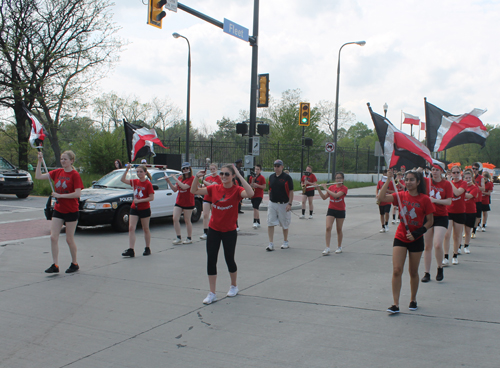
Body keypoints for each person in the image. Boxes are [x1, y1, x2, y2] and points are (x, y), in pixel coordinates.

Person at [191, 164, 254, 304]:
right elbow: (193, 190)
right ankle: (212, 293)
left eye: (227, 174)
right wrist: (196, 177)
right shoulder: (214, 188)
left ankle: (234, 286)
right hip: (214, 229)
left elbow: (250, 194)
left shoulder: (237, 190)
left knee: (229, 259)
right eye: (222, 174)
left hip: (229, 231)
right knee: (211, 259)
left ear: (232, 176)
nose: (224, 176)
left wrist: (239, 175)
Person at [378, 169, 434, 314]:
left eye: (411, 180)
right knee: (397, 270)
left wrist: (417, 233)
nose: (408, 182)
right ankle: (395, 304)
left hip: (416, 239)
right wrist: (389, 180)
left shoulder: (425, 199)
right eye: (406, 179)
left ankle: (413, 299)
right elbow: (380, 198)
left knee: (413, 271)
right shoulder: (400, 195)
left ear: (418, 182)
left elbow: (430, 221)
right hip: (401, 237)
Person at [35, 150, 84, 274]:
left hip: (71, 210)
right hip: (58, 209)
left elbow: (78, 193)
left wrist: (60, 196)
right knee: (53, 237)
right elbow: (38, 176)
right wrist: (39, 161)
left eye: (65, 159)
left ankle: (74, 263)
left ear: (71, 161)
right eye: (61, 159)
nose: (63, 161)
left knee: (69, 239)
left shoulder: (75, 175)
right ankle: (55, 264)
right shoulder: (57, 172)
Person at [421, 161, 452, 283]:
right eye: (433, 169)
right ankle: (427, 272)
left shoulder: (446, 184)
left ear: (441, 172)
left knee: (438, 244)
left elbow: (449, 201)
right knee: (427, 246)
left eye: (437, 170)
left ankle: (439, 267)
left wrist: (434, 200)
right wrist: (421, 165)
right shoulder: (426, 181)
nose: (434, 172)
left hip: (441, 216)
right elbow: (416, 175)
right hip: (428, 216)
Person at [120, 164, 155, 257]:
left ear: (145, 173)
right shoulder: (135, 181)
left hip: (144, 208)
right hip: (134, 208)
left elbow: (151, 197)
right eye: (137, 172)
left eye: (141, 171)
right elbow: (122, 180)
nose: (139, 173)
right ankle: (131, 249)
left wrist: (140, 200)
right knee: (131, 227)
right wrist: (126, 170)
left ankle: (147, 248)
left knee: (145, 228)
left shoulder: (148, 184)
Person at [315, 172, 348, 255]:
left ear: (343, 179)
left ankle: (339, 247)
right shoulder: (331, 187)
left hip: (340, 210)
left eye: (340, 178)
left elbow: (336, 195)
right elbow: (324, 198)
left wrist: (326, 188)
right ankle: (327, 247)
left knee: (339, 229)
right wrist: (319, 188)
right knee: (328, 227)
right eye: (337, 178)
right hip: (331, 209)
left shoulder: (344, 188)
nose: (338, 179)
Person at [266, 159, 294, 251]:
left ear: (282, 167)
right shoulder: (271, 177)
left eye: (278, 166)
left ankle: (285, 241)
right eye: (275, 166)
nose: (276, 168)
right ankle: (271, 243)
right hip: (273, 203)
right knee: (270, 222)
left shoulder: (287, 178)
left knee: (284, 223)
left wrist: (289, 203)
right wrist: (270, 199)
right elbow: (269, 189)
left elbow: (291, 191)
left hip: (283, 203)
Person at [165, 162, 195, 244]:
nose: (185, 170)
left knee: (187, 220)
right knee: (175, 218)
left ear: (189, 169)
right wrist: (168, 181)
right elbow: (175, 189)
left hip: (188, 202)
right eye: (184, 169)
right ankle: (178, 237)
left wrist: (175, 178)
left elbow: (184, 187)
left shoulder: (192, 178)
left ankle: (189, 238)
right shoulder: (180, 178)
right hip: (179, 201)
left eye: (187, 168)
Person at [443, 166, 467, 265]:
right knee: (447, 234)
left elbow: (457, 193)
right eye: (454, 172)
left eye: (457, 172)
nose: (456, 174)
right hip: (449, 211)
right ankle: (445, 256)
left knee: (456, 236)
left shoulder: (463, 183)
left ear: (460, 173)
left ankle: (455, 255)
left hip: (460, 212)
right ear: (451, 173)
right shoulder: (447, 183)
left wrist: (450, 182)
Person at [199, 163, 221, 240]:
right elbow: (205, 187)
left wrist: (203, 180)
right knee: (205, 215)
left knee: (215, 216)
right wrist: (200, 183)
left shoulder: (219, 178)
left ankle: (216, 231)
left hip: (214, 199)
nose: (212, 171)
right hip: (206, 198)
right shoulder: (208, 178)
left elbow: (213, 186)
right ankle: (205, 232)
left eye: (214, 169)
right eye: (211, 169)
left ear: (216, 169)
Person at [462, 169, 479, 255]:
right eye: (466, 178)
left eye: (469, 178)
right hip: (461, 211)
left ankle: (466, 246)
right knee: (459, 231)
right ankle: (458, 247)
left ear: (471, 178)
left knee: (468, 231)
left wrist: (461, 191)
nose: (467, 179)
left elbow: (469, 195)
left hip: (471, 211)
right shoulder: (461, 187)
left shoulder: (474, 187)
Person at [249, 164, 266, 229]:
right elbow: (250, 185)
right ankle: (258, 221)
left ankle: (255, 221)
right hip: (253, 194)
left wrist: (257, 185)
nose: (256, 170)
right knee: (256, 208)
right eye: (255, 169)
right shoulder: (251, 177)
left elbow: (264, 187)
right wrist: (252, 183)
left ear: (260, 170)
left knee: (255, 208)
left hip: (259, 195)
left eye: (258, 169)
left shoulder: (262, 178)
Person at [471, 162, 485, 238]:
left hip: (478, 199)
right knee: (469, 215)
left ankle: (474, 230)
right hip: (470, 199)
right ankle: (468, 230)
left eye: (476, 169)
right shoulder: (469, 177)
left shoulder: (481, 178)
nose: (474, 170)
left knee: (477, 216)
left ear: (478, 170)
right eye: (473, 168)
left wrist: (476, 186)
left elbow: (483, 188)